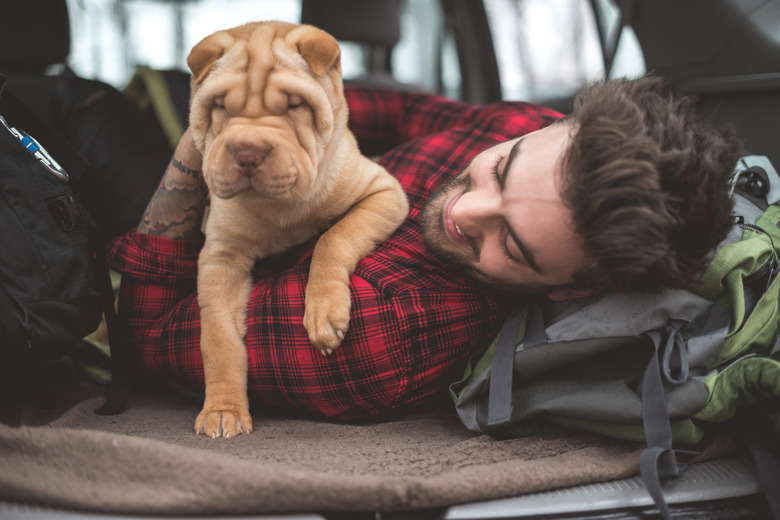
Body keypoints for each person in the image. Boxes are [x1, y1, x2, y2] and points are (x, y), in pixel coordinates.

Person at [107, 74, 742, 422]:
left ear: (571, 288)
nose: (464, 210)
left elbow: (149, 332)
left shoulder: (387, 332)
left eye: (510, 245)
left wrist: (201, 142)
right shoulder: (522, 130)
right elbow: (402, 109)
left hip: (157, 260)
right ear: (557, 126)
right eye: (500, 171)